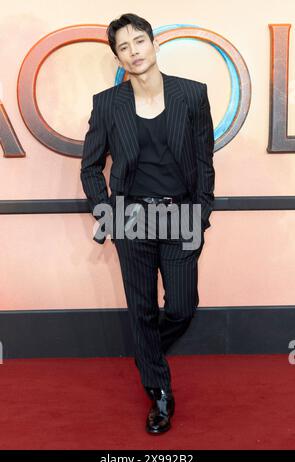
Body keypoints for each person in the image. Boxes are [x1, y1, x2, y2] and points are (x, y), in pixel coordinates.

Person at [80, 12, 215, 434]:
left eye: (139, 41)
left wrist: (202, 215)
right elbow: (90, 168)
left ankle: (146, 353)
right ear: (118, 56)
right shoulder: (107, 103)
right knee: (141, 309)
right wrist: (109, 216)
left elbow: (204, 164)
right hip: (131, 218)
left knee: (181, 306)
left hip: (180, 215)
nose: (133, 51)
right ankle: (158, 393)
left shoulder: (192, 96)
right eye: (124, 46)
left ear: (153, 43)